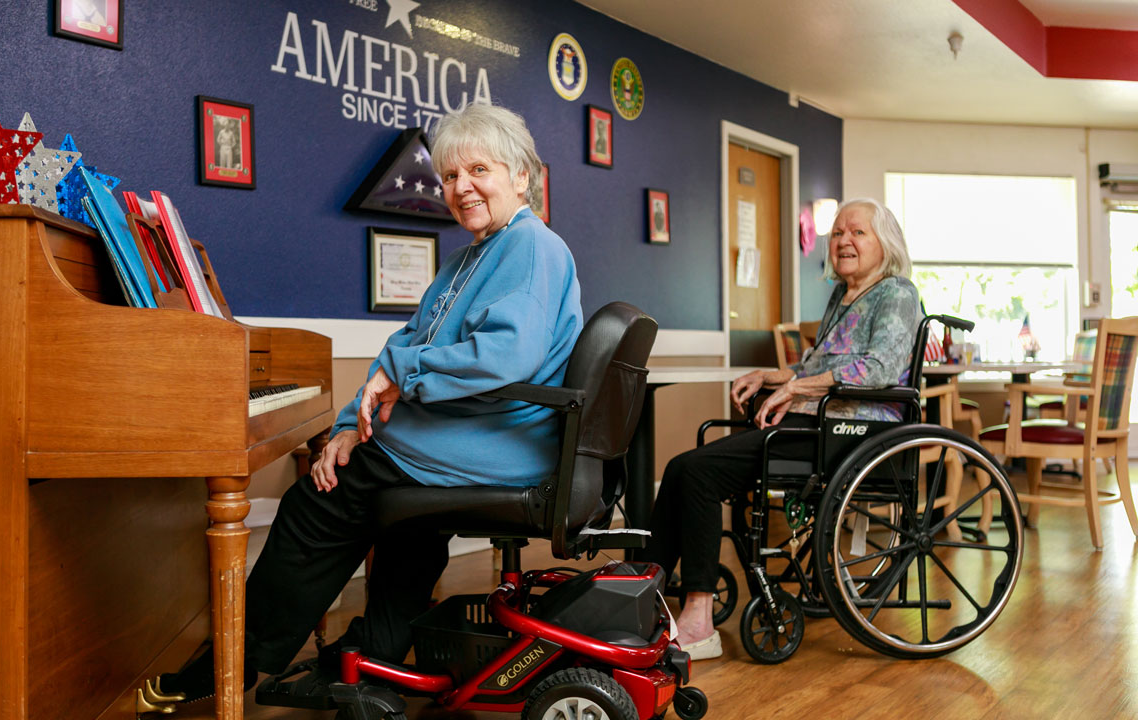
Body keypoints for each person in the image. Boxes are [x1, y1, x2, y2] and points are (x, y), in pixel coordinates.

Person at [158, 102, 583, 702]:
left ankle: (235, 661)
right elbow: (397, 351)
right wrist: (343, 424)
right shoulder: (470, 257)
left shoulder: (532, 247)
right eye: (451, 177)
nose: (462, 188)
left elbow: (505, 357)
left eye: (478, 171)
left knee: (319, 499)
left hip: (501, 443)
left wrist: (389, 393)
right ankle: (372, 656)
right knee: (398, 508)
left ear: (520, 175)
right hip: (469, 435)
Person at [639, 198, 922, 661]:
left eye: (857, 232)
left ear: (884, 244)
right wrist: (774, 376)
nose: (844, 241)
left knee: (698, 474)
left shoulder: (897, 293)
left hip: (856, 433)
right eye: (837, 233)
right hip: (818, 423)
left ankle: (698, 618)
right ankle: (639, 593)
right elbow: (815, 367)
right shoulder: (844, 295)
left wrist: (797, 389)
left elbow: (880, 367)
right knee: (681, 467)